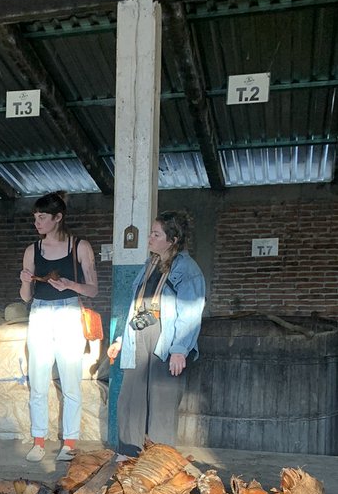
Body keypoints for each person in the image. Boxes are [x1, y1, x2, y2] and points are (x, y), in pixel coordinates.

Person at [107, 210, 206, 458]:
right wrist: (122, 338)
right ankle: (129, 454)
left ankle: (158, 459)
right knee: (131, 397)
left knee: (161, 402)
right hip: (140, 336)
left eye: (155, 234)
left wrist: (180, 349)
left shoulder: (187, 269)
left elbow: (190, 311)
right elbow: (141, 305)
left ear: (172, 240)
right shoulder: (151, 264)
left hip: (165, 340)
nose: (149, 238)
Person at [19, 191, 98, 462]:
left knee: (71, 379)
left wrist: (69, 284)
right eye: (35, 217)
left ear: (58, 217)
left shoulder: (80, 246)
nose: (37, 222)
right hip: (40, 313)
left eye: (42, 217)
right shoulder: (32, 250)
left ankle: (70, 442)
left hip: (68, 312)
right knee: (38, 379)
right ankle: (38, 440)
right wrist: (25, 280)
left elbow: (93, 289)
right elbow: (26, 297)